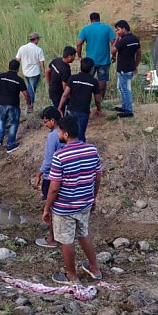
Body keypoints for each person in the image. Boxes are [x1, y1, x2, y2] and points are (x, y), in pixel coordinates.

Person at [42, 115, 103, 285]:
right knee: (83, 233)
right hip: (85, 202)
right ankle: (94, 268)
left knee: (66, 240)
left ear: (66, 134)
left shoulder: (60, 156)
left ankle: (72, 276)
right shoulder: (92, 150)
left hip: (64, 207)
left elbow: (54, 187)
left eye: (59, 131)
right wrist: (94, 198)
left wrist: (47, 208)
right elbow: (97, 178)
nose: (58, 133)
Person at [34, 106, 63, 248]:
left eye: (46, 122)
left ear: (53, 120)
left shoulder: (53, 136)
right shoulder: (66, 132)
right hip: (65, 176)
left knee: (50, 208)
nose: (45, 125)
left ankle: (52, 238)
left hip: (52, 176)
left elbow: (49, 160)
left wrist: (39, 174)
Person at [0, 59, 31, 153]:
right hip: (13, 104)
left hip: (1, 103)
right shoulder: (19, 80)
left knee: (2, 120)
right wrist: (29, 104)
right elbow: (26, 94)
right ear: (17, 69)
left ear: (9, 67)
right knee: (14, 123)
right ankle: (10, 144)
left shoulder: (1, 76)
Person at [58, 57, 101, 143]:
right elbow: (97, 98)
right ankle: (80, 151)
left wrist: (59, 107)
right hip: (83, 112)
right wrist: (98, 108)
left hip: (71, 109)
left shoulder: (73, 78)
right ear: (92, 69)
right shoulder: (93, 81)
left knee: (69, 133)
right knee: (80, 135)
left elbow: (65, 94)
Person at [76, 13, 116, 102]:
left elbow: (79, 43)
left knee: (86, 79)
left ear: (90, 20)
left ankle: (86, 99)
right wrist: (114, 55)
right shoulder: (107, 28)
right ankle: (100, 100)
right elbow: (113, 42)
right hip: (104, 61)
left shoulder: (85, 29)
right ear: (99, 19)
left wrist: (79, 57)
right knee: (102, 80)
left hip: (89, 62)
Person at [111, 20, 141, 118]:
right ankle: (124, 106)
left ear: (124, 29)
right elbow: (139, 53)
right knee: (121, 87)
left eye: (118, 30)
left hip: (124, 69)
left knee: (125, 89)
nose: (117, 32)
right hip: (130, 67)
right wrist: (136, 65)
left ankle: (128, 110)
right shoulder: (135, 39)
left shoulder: (123, 40)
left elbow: (113, 50)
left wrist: (117, 39)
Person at [16, 32, 46, 114]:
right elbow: (42, 63)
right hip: (35, 73)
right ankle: (29, 107)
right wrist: (44, 73)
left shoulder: (22, 48)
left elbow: (17, 60)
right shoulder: (39, 50)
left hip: (26, 72)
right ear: (36, 40)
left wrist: (17, 70)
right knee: (32, 90)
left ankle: (29, 106)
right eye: (38, 39)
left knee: (29, 88)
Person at [46, 46, 76, 110]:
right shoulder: (65, 69)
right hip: (59, 95)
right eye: (74, 56)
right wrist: (69, 97)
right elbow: (64, 86)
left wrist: (49, 84)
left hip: (52, 91)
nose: (74, 58)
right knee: (60, 111)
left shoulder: (56, 60)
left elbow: (47, 71)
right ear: (69, 56)